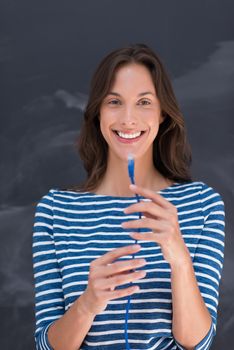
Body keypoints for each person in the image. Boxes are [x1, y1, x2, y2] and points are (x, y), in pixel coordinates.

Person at [32, 43, 225, 350]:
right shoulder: (56, 210)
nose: (128, 119)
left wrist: (179, 258)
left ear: (163, 114)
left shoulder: (203, 205)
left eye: (144, 102)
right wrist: (88, 303)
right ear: (97, 112)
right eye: (115, 102)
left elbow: (198, 343)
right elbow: (46, 345)